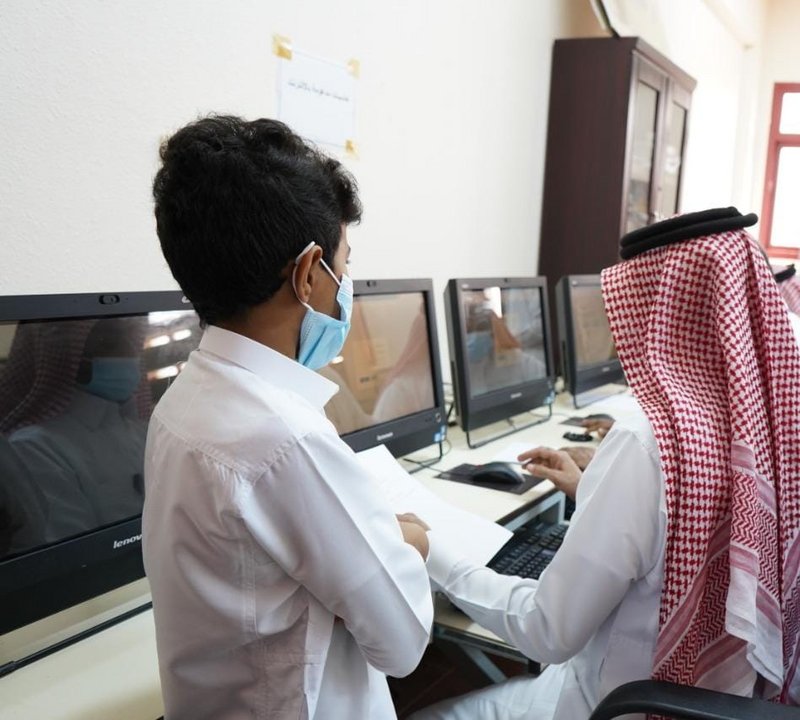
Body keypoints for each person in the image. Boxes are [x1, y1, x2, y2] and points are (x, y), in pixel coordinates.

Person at [410, 207, 800, 719]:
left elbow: (546, 632)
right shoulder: (771, 421)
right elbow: (708, 521)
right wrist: (596, 491)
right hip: (733, 693)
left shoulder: (649, 442)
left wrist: (433, 552)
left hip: (621, 705)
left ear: (662, 308)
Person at [143, 116, 433, 720]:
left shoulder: (181, 399)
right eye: (343, 267)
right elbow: (402, 642)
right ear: (307, 273)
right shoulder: (284, 440)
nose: (345, 287)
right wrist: (408, 542)